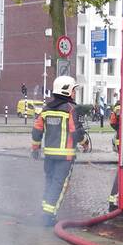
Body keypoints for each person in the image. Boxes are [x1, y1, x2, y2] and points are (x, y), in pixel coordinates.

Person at [31, 76, 90, 226]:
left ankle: (45, 211)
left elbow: (37, 131)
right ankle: (49, 216)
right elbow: (76, 131)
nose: (75, 93)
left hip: (49, 155)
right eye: (74, 90)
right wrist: (85, 142)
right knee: (59, 185)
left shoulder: (45, 109)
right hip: (65, 157)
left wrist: (35, 148)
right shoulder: (70, 109)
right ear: (67, 90)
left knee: (50, 182)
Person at [108, 98, 122, 211]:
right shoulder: (122, 105)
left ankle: (114, 201)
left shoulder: (117, 106)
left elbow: (112, 122)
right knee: (122, 171)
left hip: (119, 140)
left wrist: (118, 129)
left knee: (121, 169)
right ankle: (113, 202)